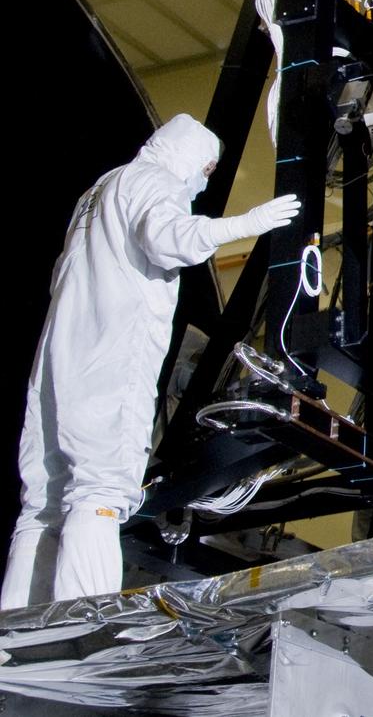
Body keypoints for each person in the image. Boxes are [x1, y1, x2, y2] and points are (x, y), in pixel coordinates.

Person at [0, 115, 300, 608]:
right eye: (204, 171)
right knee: (100, 492)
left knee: (44, 505)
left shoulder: (100, 190)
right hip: (108, 356)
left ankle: (16, 635)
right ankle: (87, 626)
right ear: (188, 158)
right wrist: (250, 224)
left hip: (60, 359)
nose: (201, 183)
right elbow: (166, 239)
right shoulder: (153, 182)